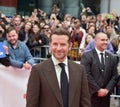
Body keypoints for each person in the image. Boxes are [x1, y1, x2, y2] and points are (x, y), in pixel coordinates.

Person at [26, 27, 91, 107]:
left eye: (63, 44)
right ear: (50, 45)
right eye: (55, 44)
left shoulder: (80, 70)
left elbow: (85, 103)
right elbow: (32, 104)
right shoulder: (38, 70)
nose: (59, 48)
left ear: (70, 46)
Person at [81, 32, 118, 107]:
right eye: (102, 40)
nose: (105, 42)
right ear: (95, 41)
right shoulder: (87, 56)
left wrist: (107, 90)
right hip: (91, 95)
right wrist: (98, 90)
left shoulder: (112, 58)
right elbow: (86, 74)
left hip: (106, 97)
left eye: (106, 40)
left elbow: (115, 76)